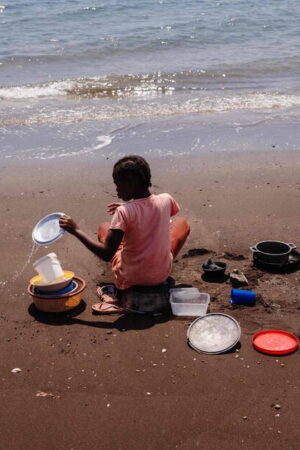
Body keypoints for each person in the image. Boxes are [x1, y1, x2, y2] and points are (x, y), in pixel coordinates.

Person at [59, 155, 190, 313]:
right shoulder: (166, 199)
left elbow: (107, 253)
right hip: (160, 275)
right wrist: (131, 207)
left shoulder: (123, 212)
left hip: (130, 278)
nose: (117, 191)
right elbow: (152, 211)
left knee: (104, 227)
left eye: (119, 186)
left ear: (131, 184)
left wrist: (76, 230)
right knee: (182, 223)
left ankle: (117, 292)